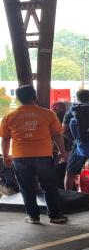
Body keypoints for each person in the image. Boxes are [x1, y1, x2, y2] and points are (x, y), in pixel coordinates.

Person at [0, 85, 68, 224]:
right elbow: (57, 135)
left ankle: (33, 216)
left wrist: (6, 156)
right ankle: (55, 216)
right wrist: (62, 152)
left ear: (18, 99)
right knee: (49, 186)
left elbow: (5, 138)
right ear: (35, 96)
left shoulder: (10, 116)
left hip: (20, 156)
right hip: (43, 155)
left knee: (26, 187)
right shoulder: (48, 114)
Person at [51, 102, 72, 189]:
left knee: (58, 171)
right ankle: (69, 191)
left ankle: (60, 190)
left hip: (58, 148)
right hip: (69, 147)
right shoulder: (69, 116)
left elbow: (55, 135)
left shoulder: (53, 118)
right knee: (67, 171)